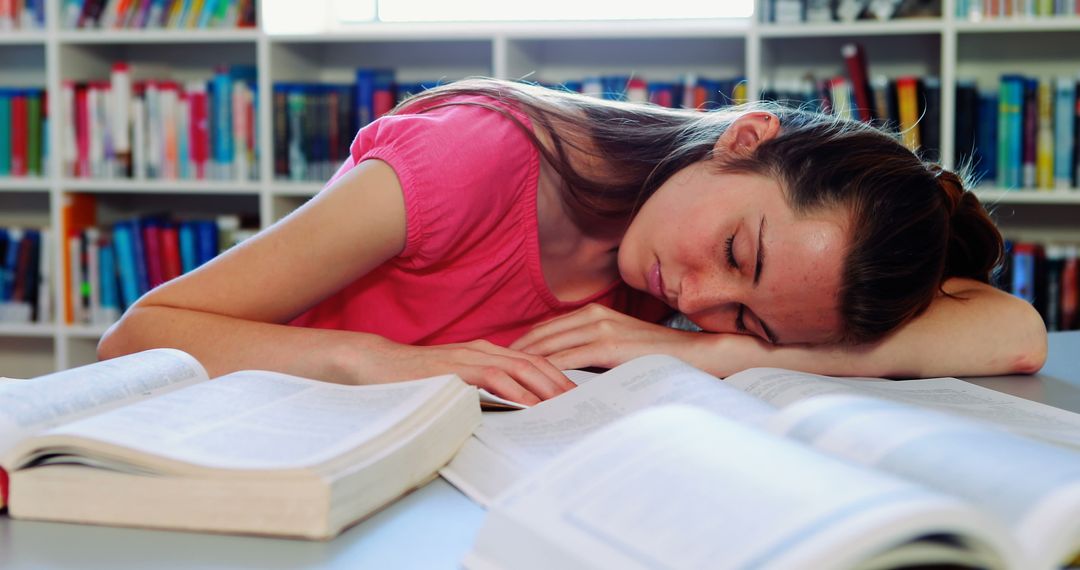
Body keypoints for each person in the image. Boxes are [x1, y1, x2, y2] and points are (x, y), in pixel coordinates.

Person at [98, 78, 1047, 405]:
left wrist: (703, 349)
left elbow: (1013, 335)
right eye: (737, 255)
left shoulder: (680, 295)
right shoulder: (473, 158)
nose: (699, 293)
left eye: (747, 318)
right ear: (745, 138)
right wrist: (379, 360)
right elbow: (141, 333)